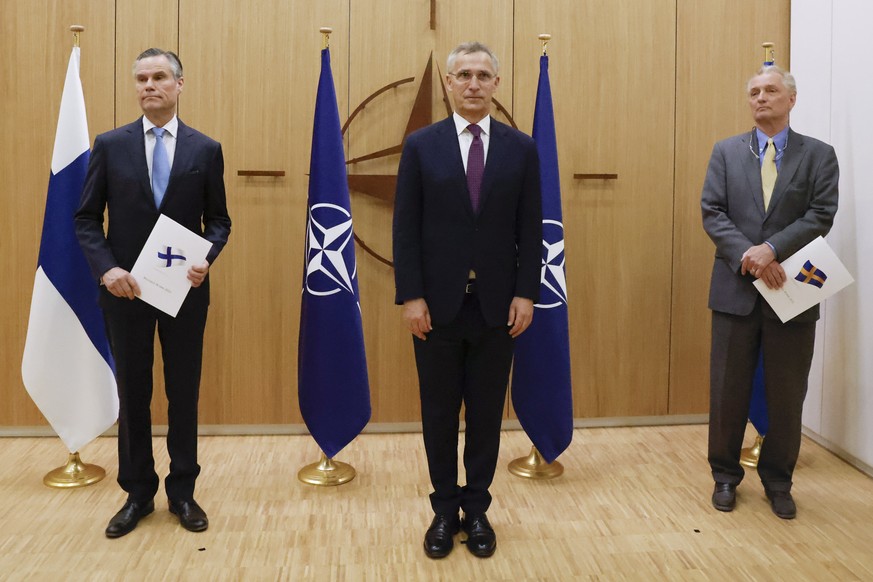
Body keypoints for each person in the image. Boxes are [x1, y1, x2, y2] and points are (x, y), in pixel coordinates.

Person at [392, 41, 542, 558]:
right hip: (435, 307)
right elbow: (405, 228)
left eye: (483, 75)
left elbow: (531, 228)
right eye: (463, 75)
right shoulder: (420, 146)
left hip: (499, 306)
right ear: (449, 84)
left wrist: (527, 292)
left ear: (496, 85)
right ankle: (442, 509)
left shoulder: (521, 149)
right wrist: (411, 296)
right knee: (438, 413)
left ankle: (476, 508)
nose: (473, 84)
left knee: (483, 414)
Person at [75, 48, 231, 537]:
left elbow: (220, 221)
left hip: (184, 293)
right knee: (134, 393)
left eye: (159, 77)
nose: (149, 85)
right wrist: (107, 270)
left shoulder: (205, 149)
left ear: (179, 84)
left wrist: (208, 256)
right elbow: (85, 219)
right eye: (141, 78)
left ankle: (182, 492)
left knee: (183, 393)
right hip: (125, 294)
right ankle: (138, 493)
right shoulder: (110, 144)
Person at [701, 64, 838, 519]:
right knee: (727, 390)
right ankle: (724, 476)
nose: (761, 98)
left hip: (793, 292)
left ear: (791, 99)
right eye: (755, 92)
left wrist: (772, 248)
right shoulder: (725, 152)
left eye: (771, 91)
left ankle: (779, 481)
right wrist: (751, 255)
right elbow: (712, 212)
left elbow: (821, 214)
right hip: (735, 290)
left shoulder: (819, 155)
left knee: (786, 391)